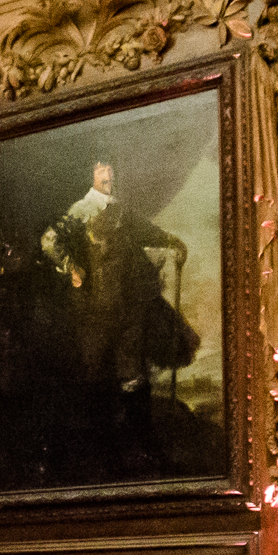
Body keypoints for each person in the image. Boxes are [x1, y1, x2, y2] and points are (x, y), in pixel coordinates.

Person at [38, 158, 196, 442]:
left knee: (132, 372)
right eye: (103, 179)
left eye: (111, 177)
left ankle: (140, 440)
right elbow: (50, 241)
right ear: (92, 180)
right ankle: (102, 445)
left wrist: (173, 241)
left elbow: (147, 231)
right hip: (95, 307)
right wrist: (72, 268)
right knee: (96, 370)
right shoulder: (81, 210)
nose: (110, 182)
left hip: (128, 304)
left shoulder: (121, 209)